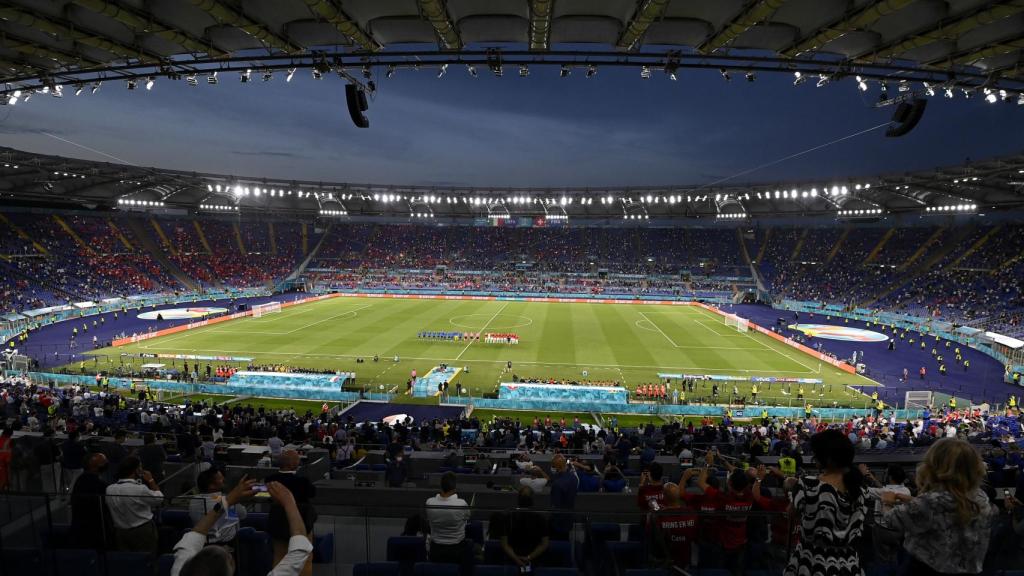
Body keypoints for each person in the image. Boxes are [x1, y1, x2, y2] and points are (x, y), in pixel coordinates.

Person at [881, 438, 994, 575]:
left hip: (926, 569)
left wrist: (887, 502)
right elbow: (947, 507)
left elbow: (891, 520)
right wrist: (913, 500)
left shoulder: (930, 502)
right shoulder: (981, 497)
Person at [171, 480, 313, 576]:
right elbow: (299, 549)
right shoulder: (180, 568)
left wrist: (228, 500)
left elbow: (195, 534)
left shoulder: (181, 571)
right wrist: (289, 501)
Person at [784, 429, 867, 576]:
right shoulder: (861, 490)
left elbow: (790, 513)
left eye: (817, 454)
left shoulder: (808, 485)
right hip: (850, 564)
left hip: (812, 562)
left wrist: (793, 492)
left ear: (828, 459)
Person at [266, 450, 317, 576]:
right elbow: (312, 493)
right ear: (292, 464)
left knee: (279, 556)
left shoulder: (270, 479)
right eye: (298, 460)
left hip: (277, 522)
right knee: (304, 556)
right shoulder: (302, 481)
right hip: (300, 521)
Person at [105, 456, 164, 553]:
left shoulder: (109, 489)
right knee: (146, 558)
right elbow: (159, 498)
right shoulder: (140, 489)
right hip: (142, 531)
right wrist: (151, 480)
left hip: (120, 532)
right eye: (140, 467)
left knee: (127, 560)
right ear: (136, 470)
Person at [424, 472, 473, 575]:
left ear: (441, 486)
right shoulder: (461, 503)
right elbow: (467, 517)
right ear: (454, 487)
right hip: (457, 549)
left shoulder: (429, 502)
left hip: (436, 549)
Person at [189, 468, 248, 544]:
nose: (224, 480)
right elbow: (243, 514)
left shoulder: (193, 500)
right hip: (225, 545)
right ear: (211, 486)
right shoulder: (225, 500)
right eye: (220, 478)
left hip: (199, 545)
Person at [496, 486, 549, 569]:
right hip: (532, 560)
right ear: (532, 499)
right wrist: (528, 558)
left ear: (518, 499)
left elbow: (505, 545)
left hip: (513, 560)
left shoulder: (508, 517)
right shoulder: (541, 518)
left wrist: (517, 559)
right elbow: (544, 544)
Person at [70, 453, 111, 550]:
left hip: (80, 530)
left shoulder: (80, 480)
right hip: (95, 532)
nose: (106, 463)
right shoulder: (99, 484)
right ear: (95, 466)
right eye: (103, 462)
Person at [548, 454, 578, 540]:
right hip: (569, 516)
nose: (552, 468)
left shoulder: (557, 484)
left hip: (558, 521)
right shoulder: (574, 478)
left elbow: (555, 506)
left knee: (557, 543)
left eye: (553, 466)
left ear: (557, 467)